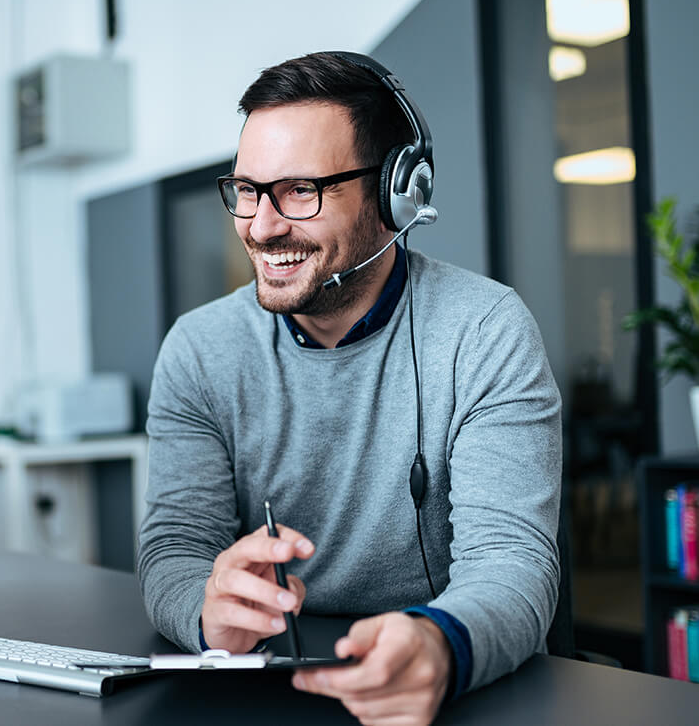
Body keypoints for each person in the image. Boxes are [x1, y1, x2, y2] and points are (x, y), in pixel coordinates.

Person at [136, 51, 561, 725]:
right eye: (248, 190)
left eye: (301, 190)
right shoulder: (199, 348)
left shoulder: (484, 329)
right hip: (271, 689)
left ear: (397, 194)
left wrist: (438, 643)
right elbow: (175, 550)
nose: (262, 225)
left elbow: (514, 562)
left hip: (442, 684)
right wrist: (205, 609)